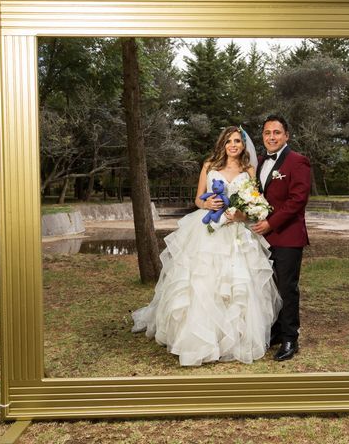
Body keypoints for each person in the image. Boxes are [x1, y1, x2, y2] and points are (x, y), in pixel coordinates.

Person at [131, 126, 281, 366]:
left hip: (236, 232)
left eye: (238, 141)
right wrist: (207, 203)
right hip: (208, 231)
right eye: (229, 141)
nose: (233, 145)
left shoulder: (248, 169)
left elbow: (254, 200)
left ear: (243, 146)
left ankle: (235, 339)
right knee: (203, 283)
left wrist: (242, 215)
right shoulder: (209, 165)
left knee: (238, 285)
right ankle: (201, 340)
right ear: (222, 143)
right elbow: (198, 198)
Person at [251, 115, 311, 361]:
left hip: (287, 236)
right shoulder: (260, 161)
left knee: (287, 288)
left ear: (286, 135)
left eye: (277, 132)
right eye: (267, 133)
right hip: (263, 238)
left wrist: (270, 223)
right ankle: (276, 331)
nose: (272, 137)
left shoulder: (298, 162)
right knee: (268, 288)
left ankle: (290, 339)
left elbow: (297, 201)